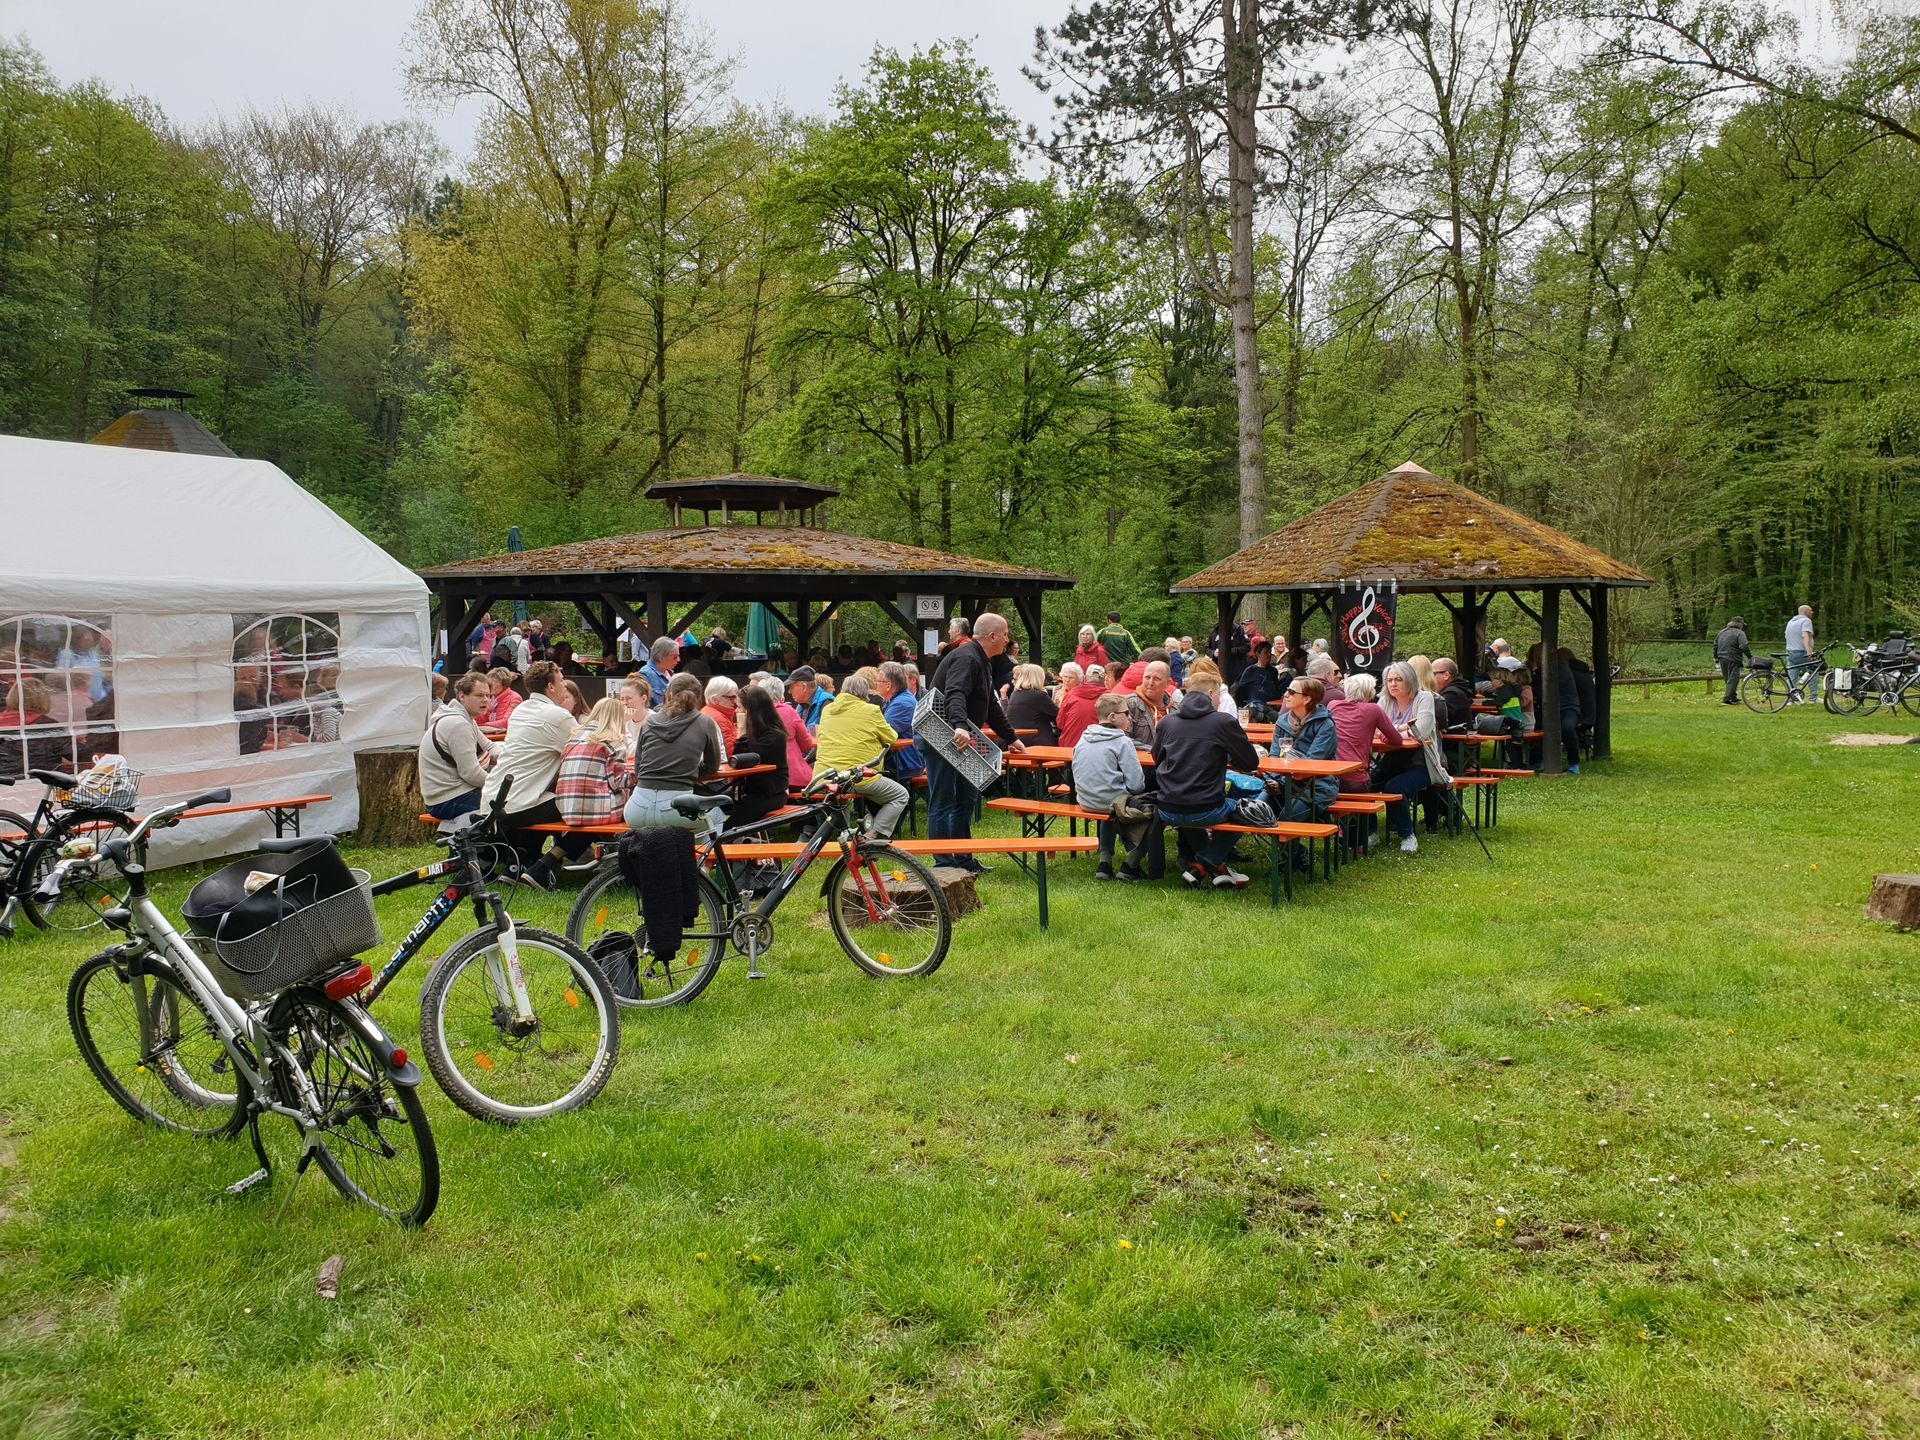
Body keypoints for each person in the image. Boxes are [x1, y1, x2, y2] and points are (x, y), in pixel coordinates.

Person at [924, 612, 1025, 872]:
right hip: (943, 737)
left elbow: (989, 703)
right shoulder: (967, 657)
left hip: (962, 739)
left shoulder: (983, 661)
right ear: (992, 636)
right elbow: (955, 692)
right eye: (1004, 634)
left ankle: (963, 860)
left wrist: (1011, 737)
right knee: (943, 802)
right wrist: (959, 725)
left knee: (966, 799)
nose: (1007, 639)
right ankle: (945, 865)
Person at [481, 660, 595, 887]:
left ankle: (518, 864)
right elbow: (585, 756)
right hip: (520, 803)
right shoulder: (558, 716)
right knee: (591, 810)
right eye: (561, 680)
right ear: (551, 687)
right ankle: (544, 866)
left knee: (549, 802)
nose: (564, 685)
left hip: (495, 798)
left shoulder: (521, 709)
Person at [1150, 667, 1259, 889]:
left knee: (1190, 807)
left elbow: (1156, 758)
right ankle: (1202, 865)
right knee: (1250, 809)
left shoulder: (1167, 722)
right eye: (1219, 694)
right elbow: (1250, 763)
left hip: (1167, 806)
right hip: (1205, 808)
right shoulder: (1222, 722)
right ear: (1210, 694)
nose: (1220, 700)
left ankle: (1218, 873)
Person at [624, 672, 726, 832]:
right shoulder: (705, 722)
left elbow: (639, 768)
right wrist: (689, 770)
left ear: (669, 693)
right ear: (699, 697)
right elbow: (712, 766)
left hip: (637, 807)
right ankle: (705, 857)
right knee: (717, 816)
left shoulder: (650, 721)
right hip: (677, 807)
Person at [813, 673, 910, 838]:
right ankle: (871, 835)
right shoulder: (871, 710)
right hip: (858, 776)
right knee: (901, 795)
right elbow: (892, 737)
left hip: (824, 776)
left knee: (841, 796)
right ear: (865, 693)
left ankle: (843, 836)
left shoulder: (828, 709)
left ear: (843, 690)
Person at [1073, 692, 1152, 882]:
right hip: (1109, 802)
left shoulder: (1083, 738)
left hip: (1086, 800)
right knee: (1156, 815)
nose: (1130, 717)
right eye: (1127, 712)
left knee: (1111, 808)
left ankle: (1104, 861)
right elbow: (1136, 785)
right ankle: (1130, 864)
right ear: (1113, 717)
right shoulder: (1122, 741)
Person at [1379, 660, 1450, 853]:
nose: (1392, 684)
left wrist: (1394, 730)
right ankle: (1368, 833)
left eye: (1398, 679)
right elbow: (1375, 729)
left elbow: (1421, 730)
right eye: (1389, 680)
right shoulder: (1385, 700)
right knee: (1362, 784)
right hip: (1391, 761)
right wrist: (1404, 728)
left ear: (1410, 680)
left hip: (1423, 764)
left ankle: (1407, 836)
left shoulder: (1424, 698)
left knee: (1394, 788)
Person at [555, 696, 636, 826]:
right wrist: (638, 773)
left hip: (567, 808)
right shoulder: (614, 741)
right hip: (596, 811)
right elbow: (619, 781)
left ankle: (567, 847)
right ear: (618, 718)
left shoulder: (574, 738)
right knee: (633, 794)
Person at [1270, 676, 1337, 831]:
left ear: (1307, 699)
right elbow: (1273, 758)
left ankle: (1297, 855)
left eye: (1292, 692)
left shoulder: (1325, 725)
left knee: (1286, 819)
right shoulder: (1282, 722)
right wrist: (1275, 780)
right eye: (1287, 690)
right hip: (1283, 783)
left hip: (1316, 788)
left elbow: (1310, 765)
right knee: (1254, 810)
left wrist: (1282, 777)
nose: (1286, 695)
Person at [1328, 672, 1401, 800]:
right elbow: (1397, 740)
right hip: (1355, 780)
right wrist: (1384, 737)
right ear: (1369, 691)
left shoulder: (1333, 705)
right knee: (1371, 782)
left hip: (1331, 777)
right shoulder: (1373, 709)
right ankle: (1367, 819)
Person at [730, 684, 792, 828]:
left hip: (771, 794)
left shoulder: (774, 736)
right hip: (751, 791)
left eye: (739, 707)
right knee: (717, 801)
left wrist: (742, 732)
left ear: (750, 711)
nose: (736, 711)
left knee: (730, 827)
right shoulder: (758, 734)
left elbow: (743, 759)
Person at [760, 675, 816, 788]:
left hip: (764, 780)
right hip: (792, 777)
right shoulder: (789, 712)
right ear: (782, 694)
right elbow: (807, 745)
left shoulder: (757, 713)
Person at [879, 661, 923, 780]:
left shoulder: (902, 703)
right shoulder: (896, 699)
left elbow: (884, 734)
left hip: (903, 764)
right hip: (899, 761)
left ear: (888, 685)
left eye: (878, 681)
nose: (875, 684)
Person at [1005, 663, 1060, 746]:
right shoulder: (1039, 696)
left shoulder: (1015, 693)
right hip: (1036, 743)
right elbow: (1059, 716)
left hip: (1017, 740)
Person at [1230, 639, 1283, 722]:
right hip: (1254, 705)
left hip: (1270, 706)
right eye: (1265, 652)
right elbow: (1239, 690)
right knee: (1256, 711)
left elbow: (1276, 690)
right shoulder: (1250, 670)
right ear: (1258, 654)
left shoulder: (1273, 671)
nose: (1269, 655)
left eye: (1270, 652)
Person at [1122, 660, 1172, 744]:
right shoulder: (1129, 704)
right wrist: (1155, 752)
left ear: (1167, 683)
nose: (1150, 683)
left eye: (1157, 679)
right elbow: (1123, 739)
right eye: (1147, 677)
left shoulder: (1176, 709)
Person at [1056, 664, 1107, 747]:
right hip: (1099, 747)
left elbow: (1060, 723)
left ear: (1085, 678)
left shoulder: (1071, 695)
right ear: (1104, 679)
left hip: (1070, 746)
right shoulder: (1110, 696)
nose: (1067, 680)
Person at [56, 626, 109, 705]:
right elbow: (61, 678)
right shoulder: (67, 654)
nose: (90, 643)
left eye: (91, 640)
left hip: (98, 699)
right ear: (77, 640)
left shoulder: (92, 654)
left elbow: (97, 675)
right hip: (79, 701)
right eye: (87, 640)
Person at [701, 675, 740, 759]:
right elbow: (731, 753)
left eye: (735, 697)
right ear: (715, 699)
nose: (735, 701)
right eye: (731, 697)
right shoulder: (719, 718)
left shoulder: (707, 711)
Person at [1785, 604, 1818, 700]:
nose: (1812, 612)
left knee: (1792, 677)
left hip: (1791, 652)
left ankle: (1790, 698)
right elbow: (1805, 636)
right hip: (1802, 652)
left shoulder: (1791, 621)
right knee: (1813, 672)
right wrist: (1809, 652)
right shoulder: (1806, 621)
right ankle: (1813, 697)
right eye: (1811, 610)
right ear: (1806, 612)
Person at [1431, 657, 1474, 730]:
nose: (1430, 678)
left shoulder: (1452, 694)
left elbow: (1437, 721)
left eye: (1433, 674)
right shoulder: (1455, 690)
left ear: (1446, 675)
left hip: (1455, 740)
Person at [1208, 614, 1251, 683]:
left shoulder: (1238, 629)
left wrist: (1228, 651)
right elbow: (1207, 648)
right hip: (1218, 668)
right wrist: (1213, 653)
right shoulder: (1214, 630)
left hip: (1236, 669)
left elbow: (1247, 647)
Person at [639, 636, 679, 706]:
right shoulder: (645, 675)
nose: (678, 659)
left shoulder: (670, 672)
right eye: (675, 657)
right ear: (662, 657)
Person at [786, 665, 828, 729]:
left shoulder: (827, 702)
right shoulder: (802, 703)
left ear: (803, 687)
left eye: (791, 688)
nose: (789, 692)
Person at [617, 676, 651, 749]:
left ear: (644, 698)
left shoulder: (653, 720)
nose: (624, 703)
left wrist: (622, 724)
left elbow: (634, 751)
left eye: (629, 698)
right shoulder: (622, 719)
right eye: (622, 699)